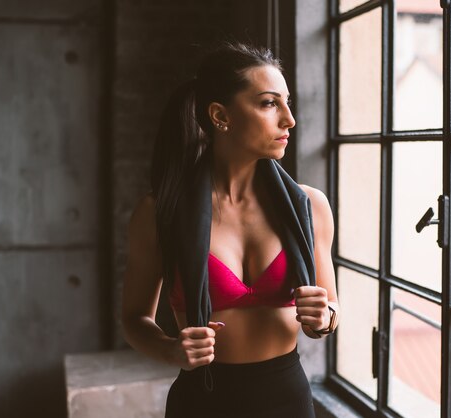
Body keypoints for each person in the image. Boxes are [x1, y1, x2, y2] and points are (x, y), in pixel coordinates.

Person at [121, 42, 339, 418]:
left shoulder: (310, 207)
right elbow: (134, 319)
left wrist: (326, 317)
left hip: (287, 400)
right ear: (221, 115)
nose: (289, 119)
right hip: (203, 402)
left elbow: (330, 307)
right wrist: (171, 349)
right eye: (269, 103)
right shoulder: (161, 212)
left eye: (287, 102)